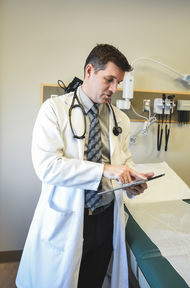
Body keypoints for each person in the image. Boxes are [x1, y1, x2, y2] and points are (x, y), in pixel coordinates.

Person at [16, 44, 154, 288]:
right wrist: (105, 169)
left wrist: (132, 179)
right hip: (68, 217)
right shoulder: (54, 110)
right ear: (90, 71)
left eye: (118, 82)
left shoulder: (118, 118)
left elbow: (124, 159)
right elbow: (47, 166)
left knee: (92, 280)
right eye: (109, 79)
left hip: (105, 218)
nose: (114, 89)